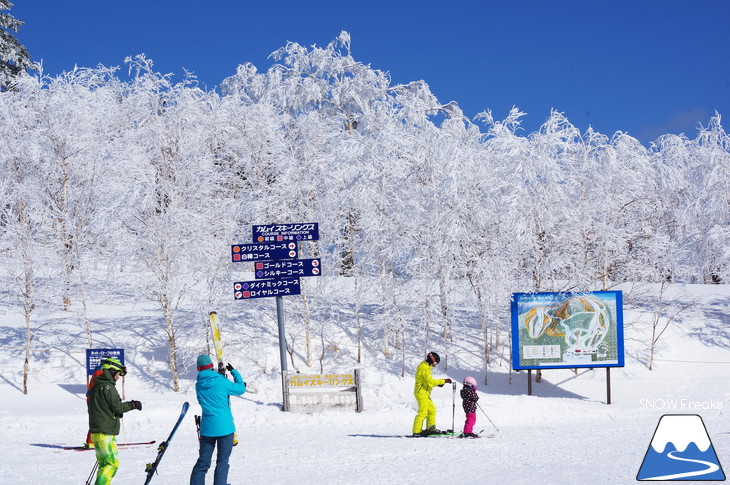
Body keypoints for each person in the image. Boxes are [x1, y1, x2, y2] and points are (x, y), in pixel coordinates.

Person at [190, 354, 246, 485]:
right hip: (225, 428)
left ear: (198, 369)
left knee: (203, 462)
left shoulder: (198, 385)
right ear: (211, 366)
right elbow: (241, 388)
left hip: (207, 429)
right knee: (222, 462)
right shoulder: (221, 381)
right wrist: (234, 372)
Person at [87, 357, 142, 485]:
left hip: (96, 432)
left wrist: (115, 413)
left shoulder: (96, 385)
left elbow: (102, 406)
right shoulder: (108, 386)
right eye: (118, 374)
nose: (118, 378)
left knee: (104, 464)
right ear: (111, 372)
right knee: (112, 464)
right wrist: (132, 405)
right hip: (105, 433)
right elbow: (117, 406)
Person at [412, 351, 452, 436]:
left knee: (432, 410)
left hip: (425, 393)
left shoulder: (426, 367)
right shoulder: (423, 369)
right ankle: (416, 431)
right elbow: (430, 381)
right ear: (432, 360)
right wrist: (443, 381)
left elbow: (428, 382)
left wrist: (438, 384)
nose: (435, 365)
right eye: (435, 363)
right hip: (421, 393)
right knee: (423, 412)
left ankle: (431, 429)